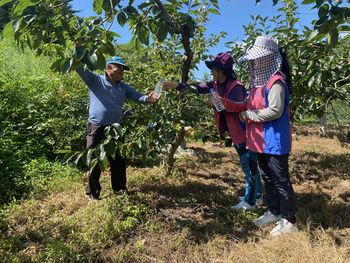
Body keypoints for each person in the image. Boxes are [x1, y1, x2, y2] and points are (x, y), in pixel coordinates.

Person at [163, 53, 262, 211]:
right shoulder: (216, 85)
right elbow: (195, 87)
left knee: (248, 166)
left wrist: (215, 105)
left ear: (222, 71)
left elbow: (237, 109)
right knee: (250, 165)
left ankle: (250, 202)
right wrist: (173, 85)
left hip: (244, 132)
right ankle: (257, 196)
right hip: (236, 132)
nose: (211, 72)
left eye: (214, 69)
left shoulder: (236, 87)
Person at [220, 36, 297, 236]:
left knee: (280, 179)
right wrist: (226, 104)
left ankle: (289, 220)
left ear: (268, 59)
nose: (254, 63)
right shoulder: (257, 85)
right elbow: (246, 106)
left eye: (257, 59)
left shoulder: (275, 82)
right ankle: (273, 211)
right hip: (260, 140)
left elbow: (276, 110)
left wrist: (250, 116)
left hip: (274, 140)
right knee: (267, 178)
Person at [75, 50, 159, 200]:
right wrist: (78, 48)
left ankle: (119, 190)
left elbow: (137, 96)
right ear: (108, 68)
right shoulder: (95, 80)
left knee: (118, 160)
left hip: (116, 128)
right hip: (96, 127)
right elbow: (78, 66)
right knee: (94, 160)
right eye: (118, 68)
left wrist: (148, 98)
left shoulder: (124, 87)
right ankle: (93, 194)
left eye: (123, 69)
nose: (122, 71)